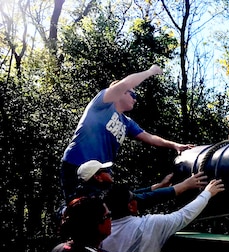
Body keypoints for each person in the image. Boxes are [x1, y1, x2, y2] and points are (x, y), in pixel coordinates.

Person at [60, 64, 194, 202]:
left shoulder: (127, 122)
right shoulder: (102, 104)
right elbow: (125, 83)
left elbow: (150, 137)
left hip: (102, 172)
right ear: (121, 92)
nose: (135, 99)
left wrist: (175, 146)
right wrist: (150, 71)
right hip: (77, 164)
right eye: (133, 94)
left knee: (108, 209)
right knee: (81, 210)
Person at [73, 159, 208, 209]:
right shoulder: (99, 198)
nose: (110, 172)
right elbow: (146, 199)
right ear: (97, 177)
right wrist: (184, 186)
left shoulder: (90, 193)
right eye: (105, 170)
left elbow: (134, 194)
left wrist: (160, 185)